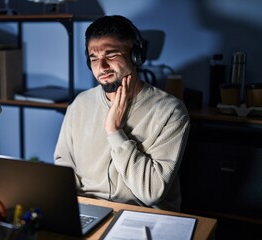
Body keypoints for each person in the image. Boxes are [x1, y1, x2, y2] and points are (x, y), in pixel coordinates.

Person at [54, 15, 190, 212]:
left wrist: (114, 131)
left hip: (142, 214)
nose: (101, 67)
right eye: (94, 58)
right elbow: (64, 167)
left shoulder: (171, 111)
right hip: (88, 209)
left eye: (111, 55)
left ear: (136, 56)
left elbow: (152, 193)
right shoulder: (80, 104)